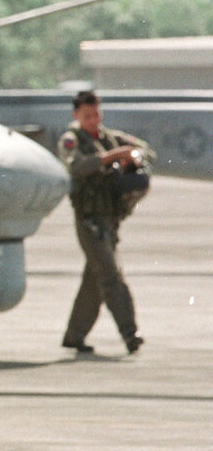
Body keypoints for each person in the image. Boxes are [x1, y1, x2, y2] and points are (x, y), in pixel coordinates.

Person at [58, 89, 153, 355]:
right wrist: (112, 157)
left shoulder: (110, 138)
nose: (93, 119)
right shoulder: (71, 140)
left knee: (94, 281)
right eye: (87, 115)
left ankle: (74, 336)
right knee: (111, 277)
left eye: (96, 113)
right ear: (76, 115)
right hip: (89, 223)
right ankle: (130, 334)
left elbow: (143, 149)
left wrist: (132, 158)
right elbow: (75, 165)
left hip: (110, 221)